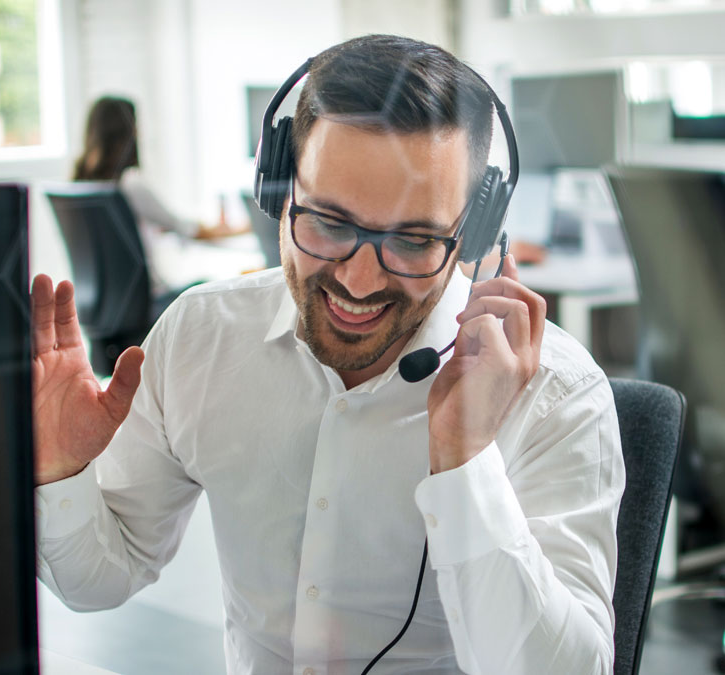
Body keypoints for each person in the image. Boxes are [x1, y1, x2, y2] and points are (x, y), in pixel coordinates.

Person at [33, 35, 624, 674]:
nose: (361, 281)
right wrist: (61, 473)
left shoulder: (559, 394)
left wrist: (466, 460)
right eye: (329, 223)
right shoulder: (200, 338)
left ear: (473, 232)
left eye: (414, 239)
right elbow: (100, 580)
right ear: (277, 191)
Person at [73, 95, 237, 240]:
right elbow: (186, 228)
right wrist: (240, 229)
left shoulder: (80, 187)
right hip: (147, 276)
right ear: (128, 135)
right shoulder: (130, 186)